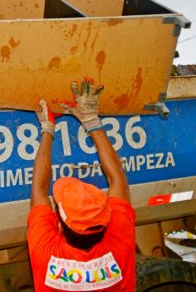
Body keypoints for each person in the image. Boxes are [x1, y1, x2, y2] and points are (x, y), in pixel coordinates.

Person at [28, 77, 136, 291]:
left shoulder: (47, 249)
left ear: (60, 222)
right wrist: (49, 127)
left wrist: (51, 129)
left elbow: (118, 181)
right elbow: (118, 181)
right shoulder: (46, 253)